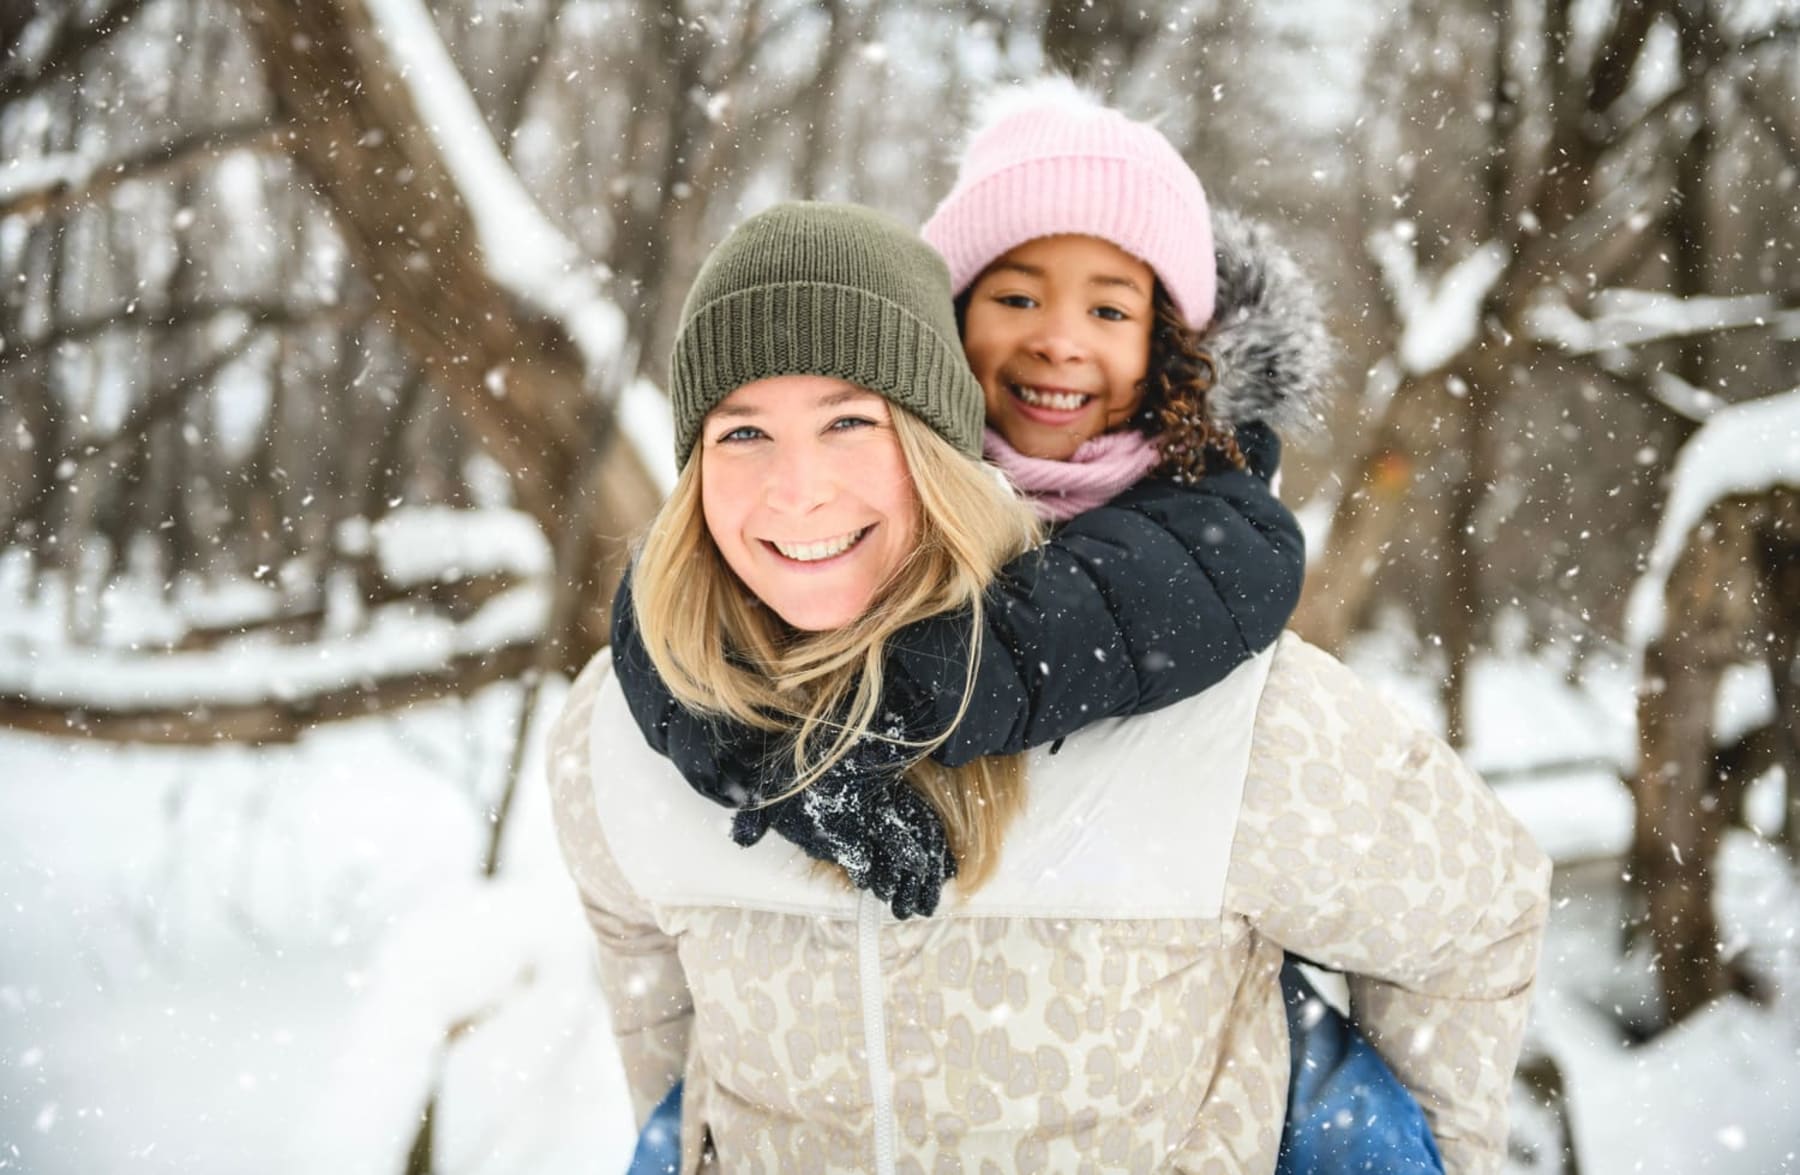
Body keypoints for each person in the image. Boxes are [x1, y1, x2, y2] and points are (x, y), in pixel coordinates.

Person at [548, 201, 1552, 1173]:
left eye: (851, 421)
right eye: (742, 432)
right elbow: (651, 992)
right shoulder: (615, 733)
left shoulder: (1233, 725)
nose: (797, 487)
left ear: (941, 447)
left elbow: (1480, 915)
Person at [607, 77, 1323, 923]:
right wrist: (749, 753)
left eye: (1108, 309)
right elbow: (676, 596)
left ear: (1166, 342)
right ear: (949, 322)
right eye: (1016, 298)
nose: (1058, 340)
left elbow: (1163, 588)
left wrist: (887, 705)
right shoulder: (883, 475)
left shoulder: (1206, 503)